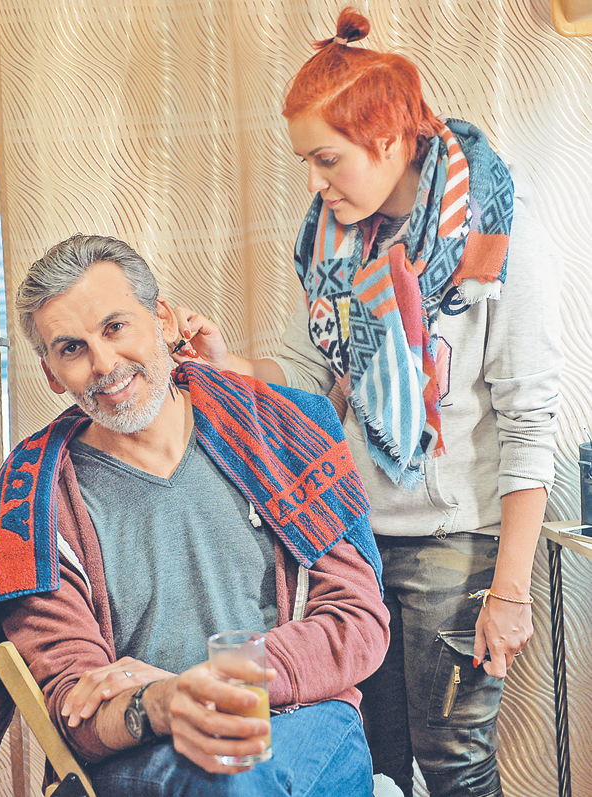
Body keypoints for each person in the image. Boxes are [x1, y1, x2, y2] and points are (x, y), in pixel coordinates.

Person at [170, 9, 562, 797]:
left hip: (459, 542)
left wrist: (511, 592)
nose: (314, 184)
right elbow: (301, 374)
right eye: (306, 162)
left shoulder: (494, 231)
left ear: (387, 142)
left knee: (454, 765)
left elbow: (529, 416)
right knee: (369, 758)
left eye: (327, 159)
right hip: (354, 538)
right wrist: (222, 361)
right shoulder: (336, 242)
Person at [0, 234, 391, 797]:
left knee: (244, 775)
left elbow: (357, 620)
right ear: (51, 373)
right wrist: (161, 704)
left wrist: (210, 685)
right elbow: (73, 702)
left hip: (298, 716)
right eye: (72, 349)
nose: (105, 365)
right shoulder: (31, 502)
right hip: (145, 747)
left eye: (115, 327)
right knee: (227, 783)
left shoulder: (282, 430)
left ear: (161, 320)